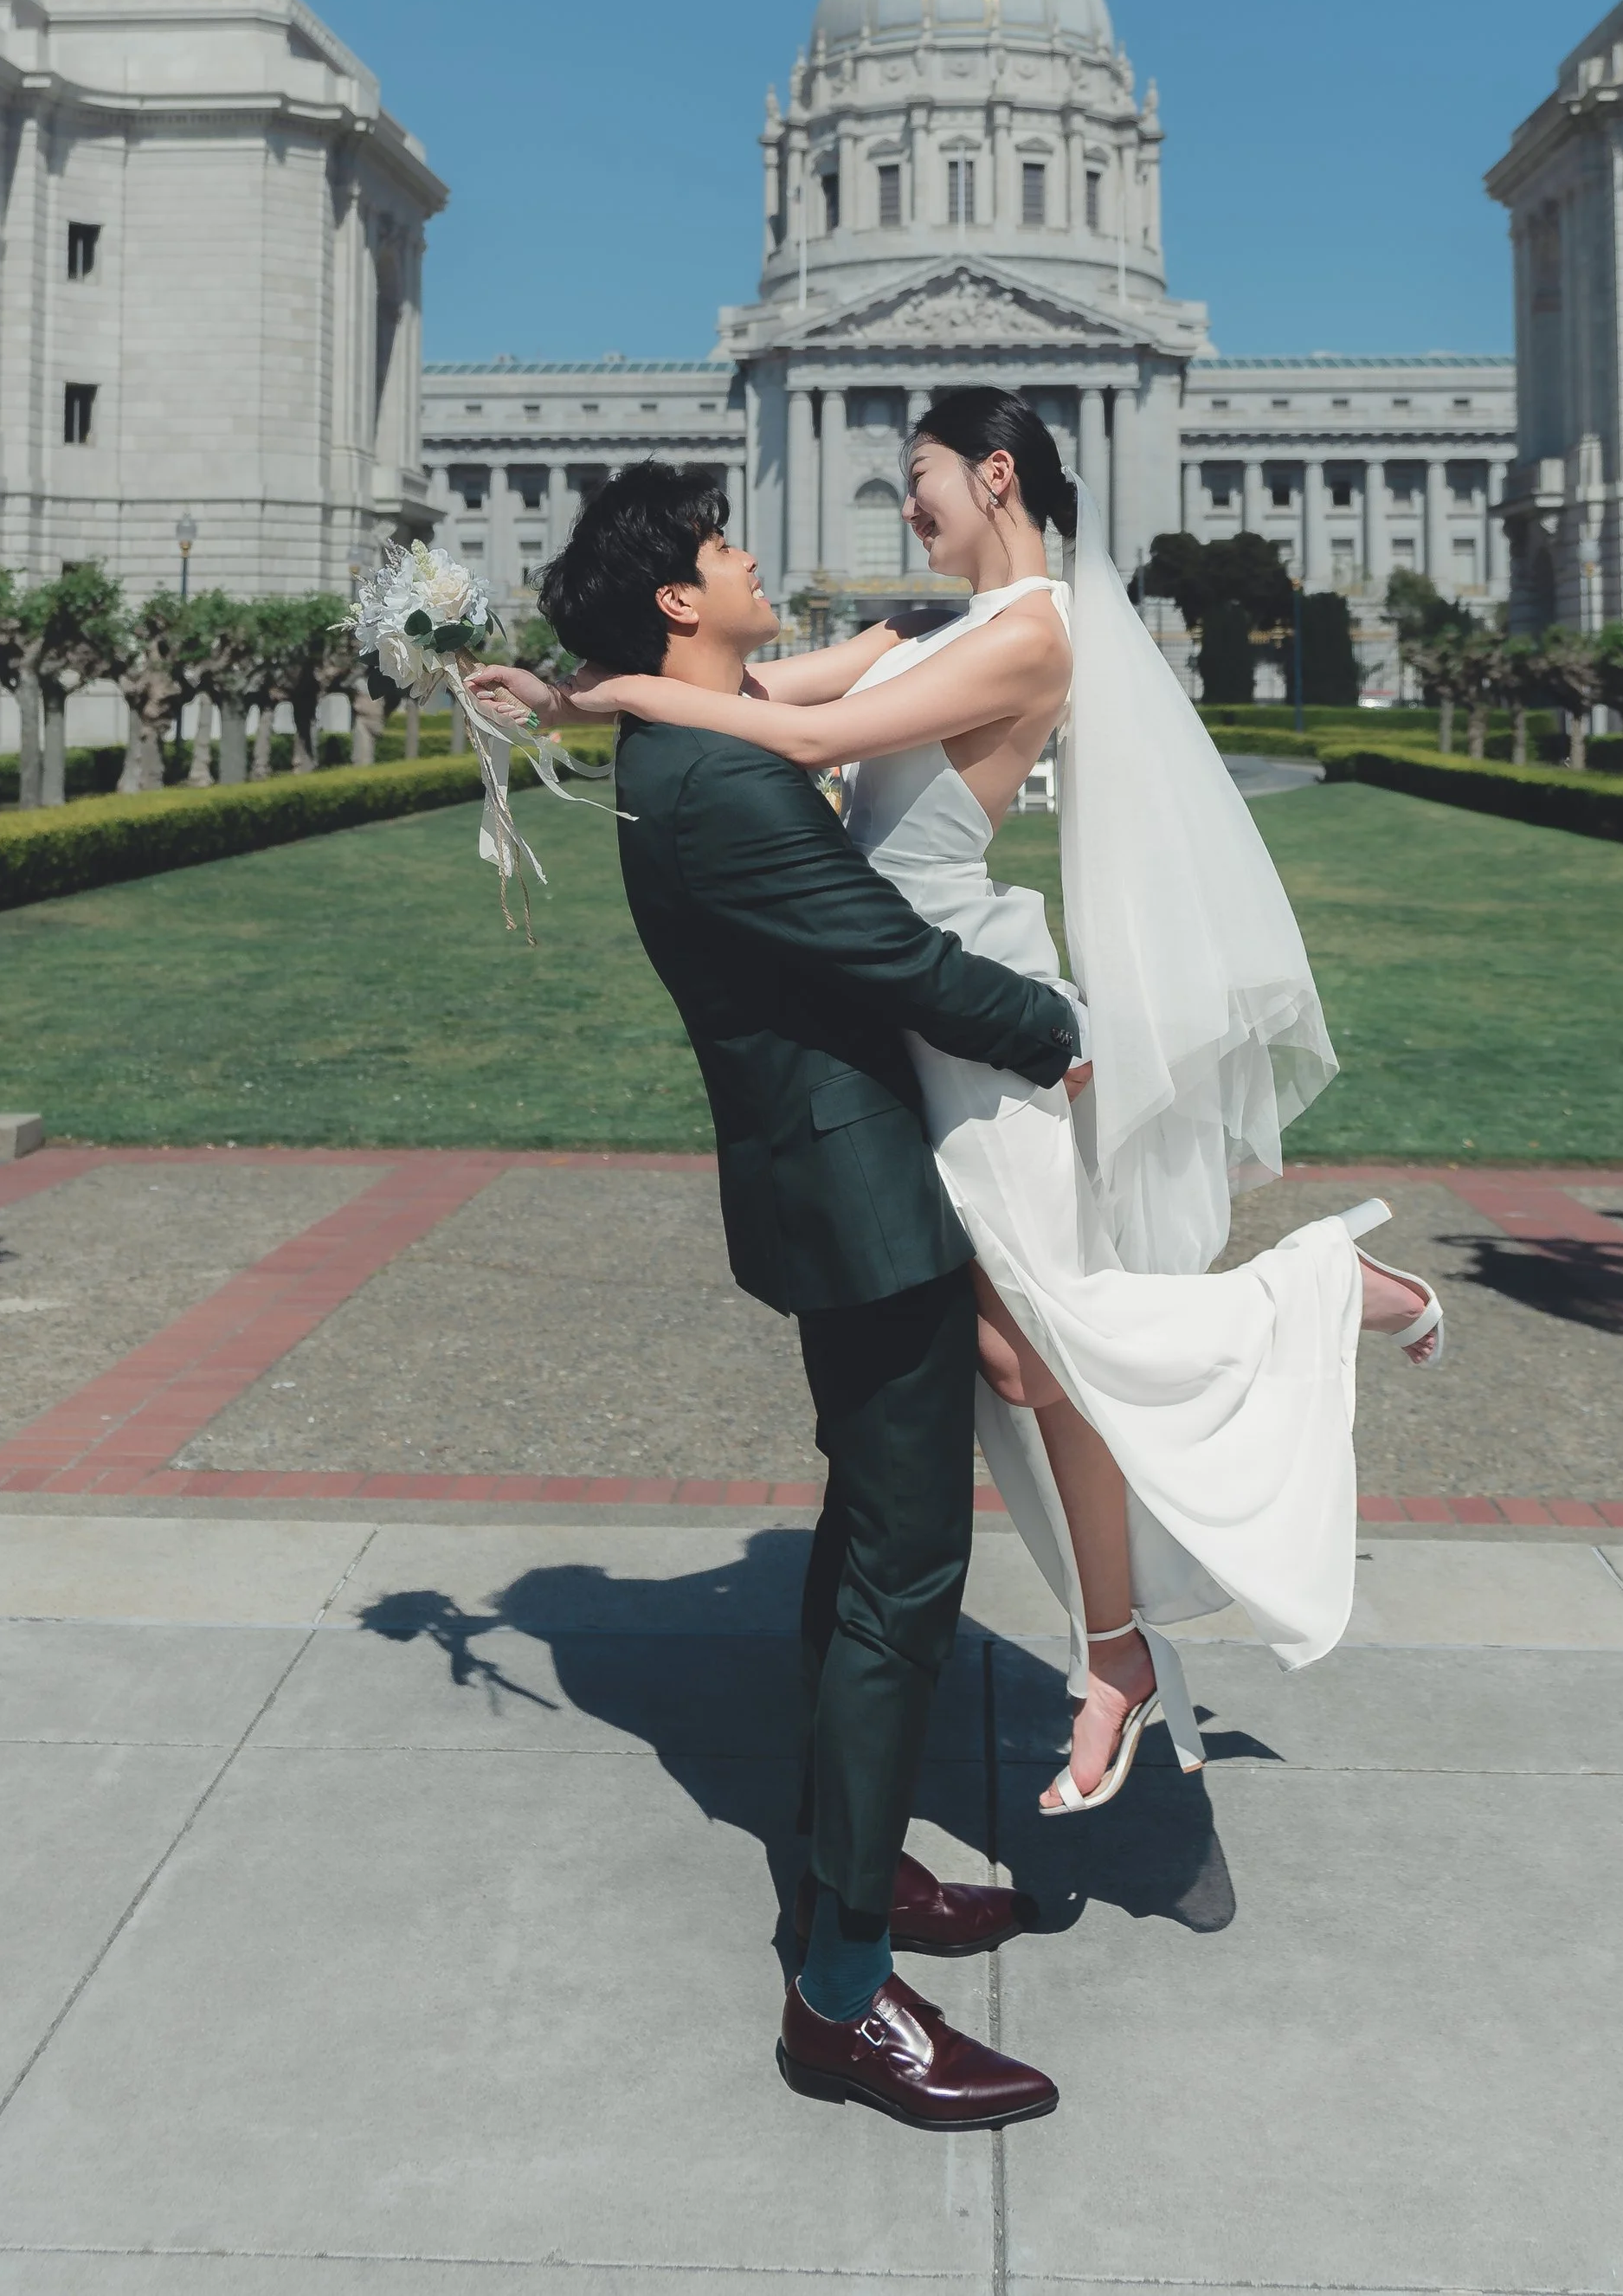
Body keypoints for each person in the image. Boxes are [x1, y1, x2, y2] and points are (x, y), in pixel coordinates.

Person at [476, 397, 1442, 1829]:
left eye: (919, 480)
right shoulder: (935, 628)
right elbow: (771, 696)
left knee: (1067, 1323)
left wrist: (609, 696)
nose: (906, 507)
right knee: (1016, 1351)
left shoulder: (1032, 631)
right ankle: (1112, 1645)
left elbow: (809, 747)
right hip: (915, 1012)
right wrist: (572, 691)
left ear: (993, 473)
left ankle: (1328, 1287)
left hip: (968, 998)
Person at [493, 461, 1079, 2132]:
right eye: (727, 545)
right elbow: (896, 960)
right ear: (682, 597)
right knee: (906, 1574)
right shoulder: (715, 784)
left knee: (865, 1549)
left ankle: (864, 1871)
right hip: (860, 1195)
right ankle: (840, 1994)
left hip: (837, 1173)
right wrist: (1068, 1033)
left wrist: (569, 678)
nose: (758, 558)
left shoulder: (687, 731)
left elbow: (859, 654)